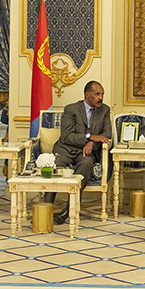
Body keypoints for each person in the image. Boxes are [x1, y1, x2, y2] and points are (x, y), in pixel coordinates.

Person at [45, 81, 112, 225]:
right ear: (87, 94)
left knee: (86, 164)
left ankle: (68, 209)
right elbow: (67, 136)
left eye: (102, 94)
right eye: (97, 94)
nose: (101, 98)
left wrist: (91, 143)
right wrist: (90, 137)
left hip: (86, 152)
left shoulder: (105, 110)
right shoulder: (71, 109)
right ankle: (46, 207)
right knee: (54, 166)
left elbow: (106, 135)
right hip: (66, 149)